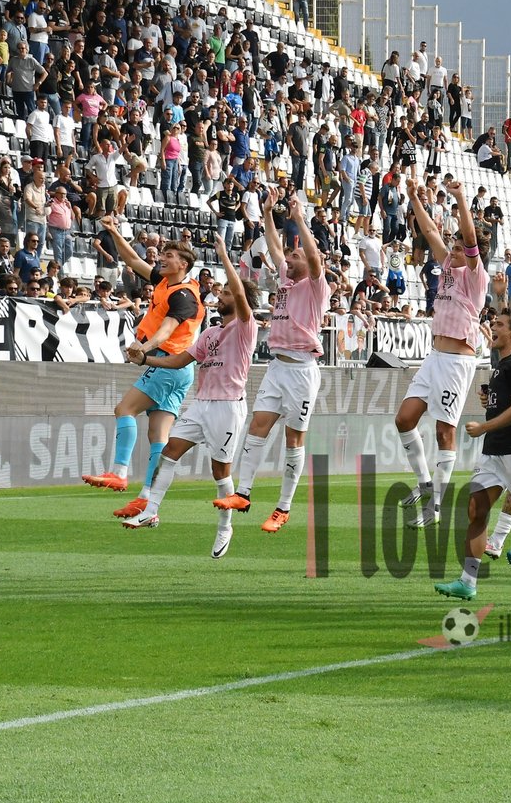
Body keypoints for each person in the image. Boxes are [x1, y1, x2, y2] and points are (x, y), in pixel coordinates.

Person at [121, 236, 259, 559]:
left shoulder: (244, 328)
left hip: (228, 408)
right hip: (201, 406)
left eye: (224, 293)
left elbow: (240, 293)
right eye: (221, 292)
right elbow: (180, 360)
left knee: (220, 472)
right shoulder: (209, 334)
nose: (220, 296)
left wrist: (223, 254)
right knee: (169, 452)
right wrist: (147, 359)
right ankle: (150, 509)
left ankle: (225, 527)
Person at [212, 192, 331, 532]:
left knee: (294, 439)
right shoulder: (286, 280)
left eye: (296, 256)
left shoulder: (315, 286)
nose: (288, 260)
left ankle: (283, 507)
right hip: (277, 366)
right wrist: (267, 213)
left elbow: (312, 256)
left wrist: (299, 218)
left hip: (302, 370)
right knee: (257, 427)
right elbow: (273, 245)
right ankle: (244, 493)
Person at [82, 221, 205, 519]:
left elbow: (167, 330)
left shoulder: (183, 295)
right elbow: (133, 260)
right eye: (163, 254)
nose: (162, 258)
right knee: (158, 434)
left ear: (184, 263)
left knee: (124, 409)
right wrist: (113, 232)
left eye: (169, 255)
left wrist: (143, 349)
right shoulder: (167, 282)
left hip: (166, 362)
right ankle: (147, 499)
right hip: (179, 369)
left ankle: (119, 472)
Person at [395, 179, 487, 527]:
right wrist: (415, 197)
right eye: (455, 246)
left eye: (461, 246)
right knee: (404, 419)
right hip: (435, 357)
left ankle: (435, 507)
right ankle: (423, 483)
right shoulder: (449, 264)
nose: (455, 249)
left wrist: (462, 197)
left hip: (457, 361)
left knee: (443, 431)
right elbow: (430, 228)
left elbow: (470, 238)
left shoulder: (475, 274)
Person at [433, 310, 511, 600]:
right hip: (493, 451)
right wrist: (491, 400)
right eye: (493, 323)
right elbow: (506, 403)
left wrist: (484, 426)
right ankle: (468, 582)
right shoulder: (502, 364)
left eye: (500, 325)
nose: (493, 327)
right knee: (476, 511)